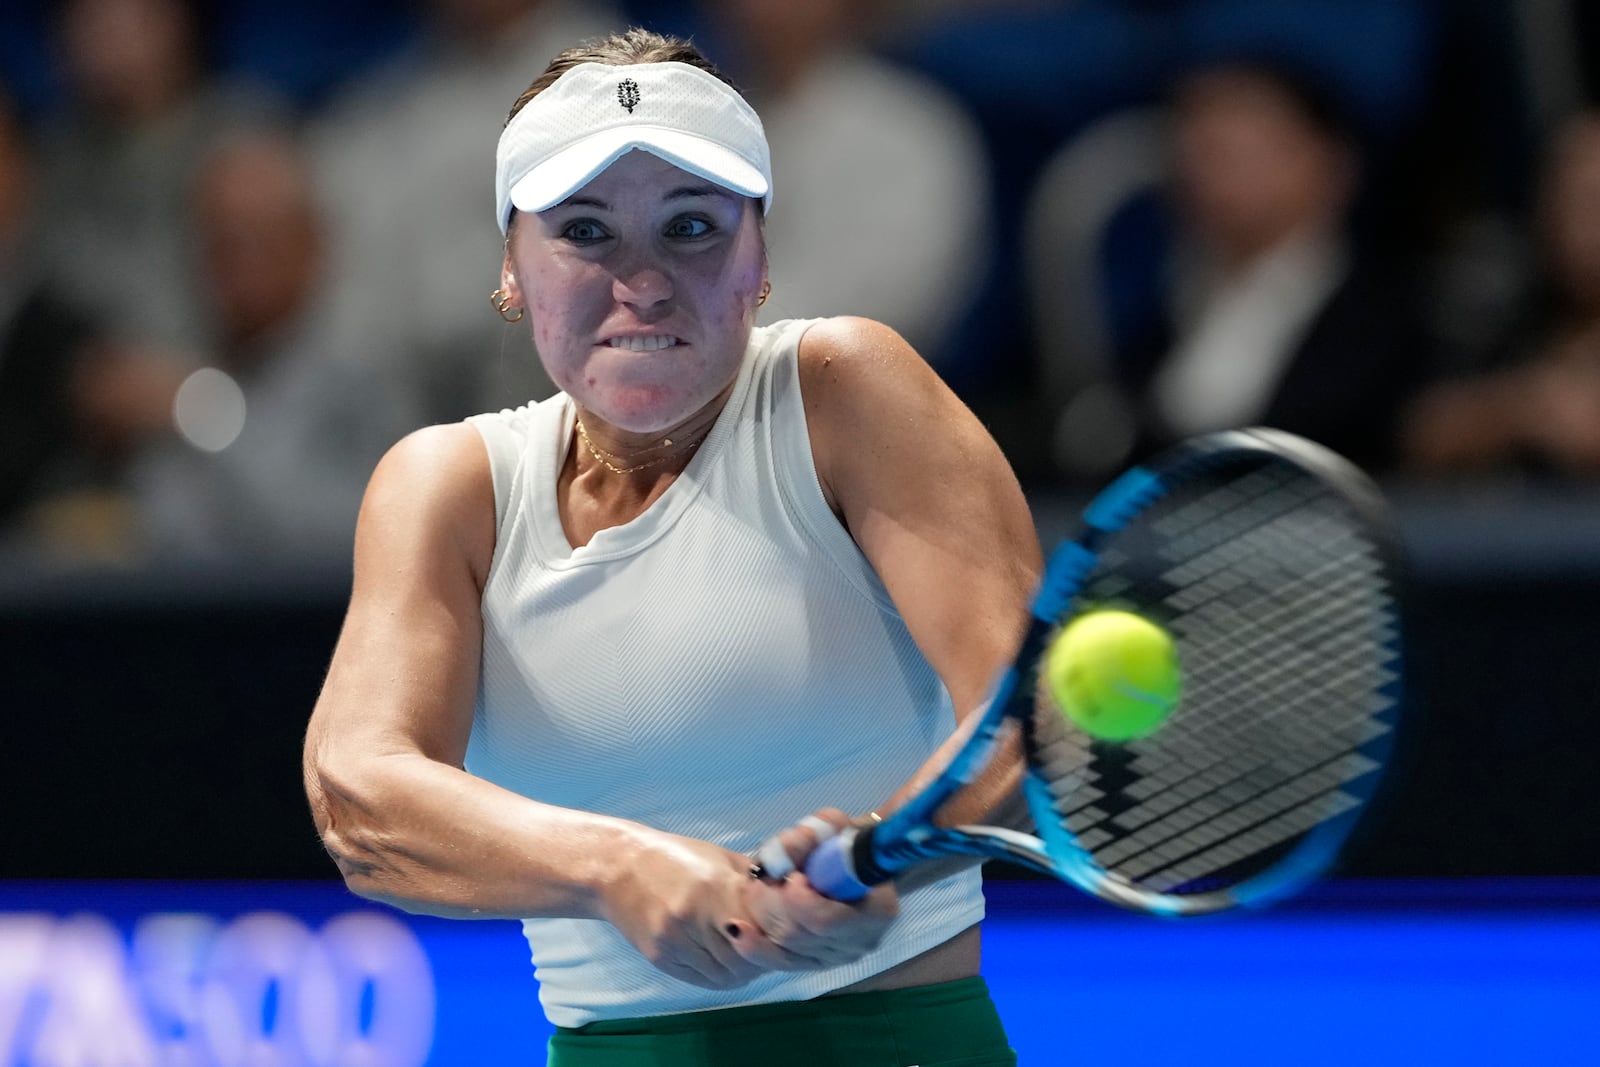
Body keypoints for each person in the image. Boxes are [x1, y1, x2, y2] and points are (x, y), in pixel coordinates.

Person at [301, 27, 1038, 1065]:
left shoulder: (846, 389)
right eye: (585, 232)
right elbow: (358, 796)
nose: (640, 281)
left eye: (691, 226)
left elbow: (1022, 716)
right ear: (511, 267)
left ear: (761, 260)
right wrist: (611, 864)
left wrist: (883, 856)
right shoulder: (446, 485)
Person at [1400, 109, 1600, 477]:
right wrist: (1523, 407)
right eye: (1565, 196)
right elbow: (1420, 430)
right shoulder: (1508, 304)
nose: (1580, 223)